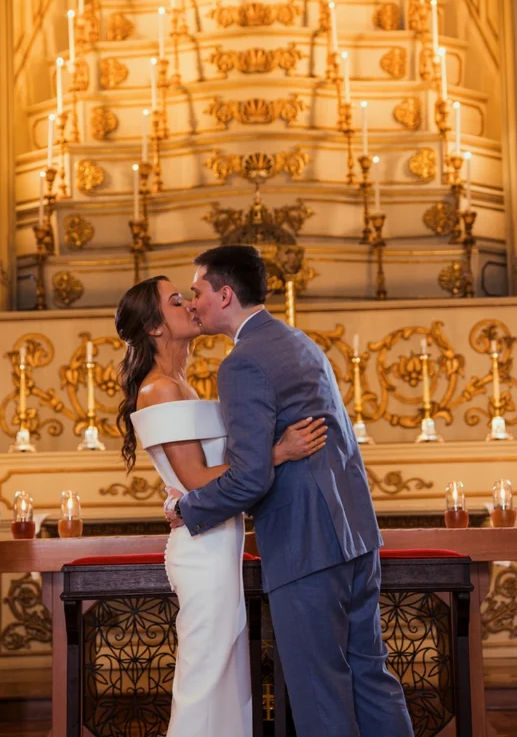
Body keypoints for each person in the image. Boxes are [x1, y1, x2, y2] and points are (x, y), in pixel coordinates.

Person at [165, 245, 415, 737]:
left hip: (306, 546)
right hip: (355, 536)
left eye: (197, 291)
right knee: (370, 675)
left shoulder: (242, 363)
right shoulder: (299, 342)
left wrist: (187, 506)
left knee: (319, 691)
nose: (193, 302)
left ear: (225, 294)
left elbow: (249, 477)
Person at [115, 275, 327, 737]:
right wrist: (279, 452)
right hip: (201, 550)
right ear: (154, 327)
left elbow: (204, 476)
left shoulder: (181, 384)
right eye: (176, 301)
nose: (190, 304)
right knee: (204, 677)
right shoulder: (160, 389)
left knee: (227, 677)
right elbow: (195, 480)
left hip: (218, 543)